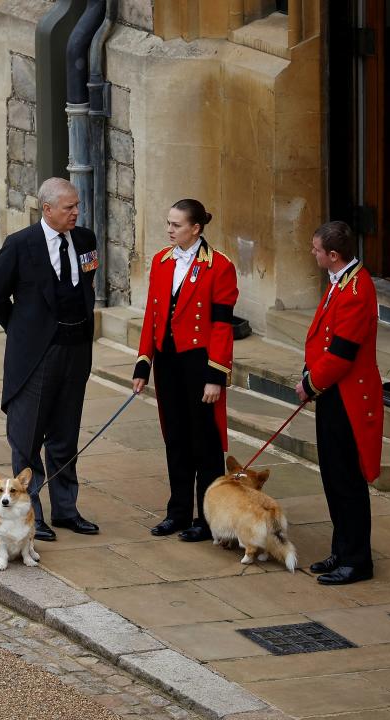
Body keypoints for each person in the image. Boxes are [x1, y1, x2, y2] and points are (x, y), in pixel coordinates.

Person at [0, 177, 100, 542]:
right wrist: (23, 334)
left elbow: (87, 284)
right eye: (69, 207)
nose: (76, 213)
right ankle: (31, 511)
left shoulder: (85, 240)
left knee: (65, 435)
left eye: (77, 206)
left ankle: (66, 509)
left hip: (75, 351)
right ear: (47, 209)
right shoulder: (19, 246)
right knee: (28, 436)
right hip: (36, 357)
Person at [132, 199, 239, 542]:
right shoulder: (162, 261)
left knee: (204, 444)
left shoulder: (219, 266)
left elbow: (223, 326)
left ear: (196, 228)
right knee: (175, 438)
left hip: (200, 363)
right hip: (168, 362)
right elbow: (152, 314)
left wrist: (216, 376)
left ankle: (208, 520)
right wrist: (143, 362)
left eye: (176, 225)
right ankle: (177, 512)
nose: (169, 230)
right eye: (168, 223)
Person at [295, 220, 383, 585]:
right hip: (333, 394)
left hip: (346, 397)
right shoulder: (341, 281)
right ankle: (341, 549)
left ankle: (357, 560)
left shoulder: (356, 290)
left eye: (316, 250)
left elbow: (343, 354)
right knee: (333, 476)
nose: (312, 254)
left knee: (347, 480)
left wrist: (309, 384)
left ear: (333, 255)